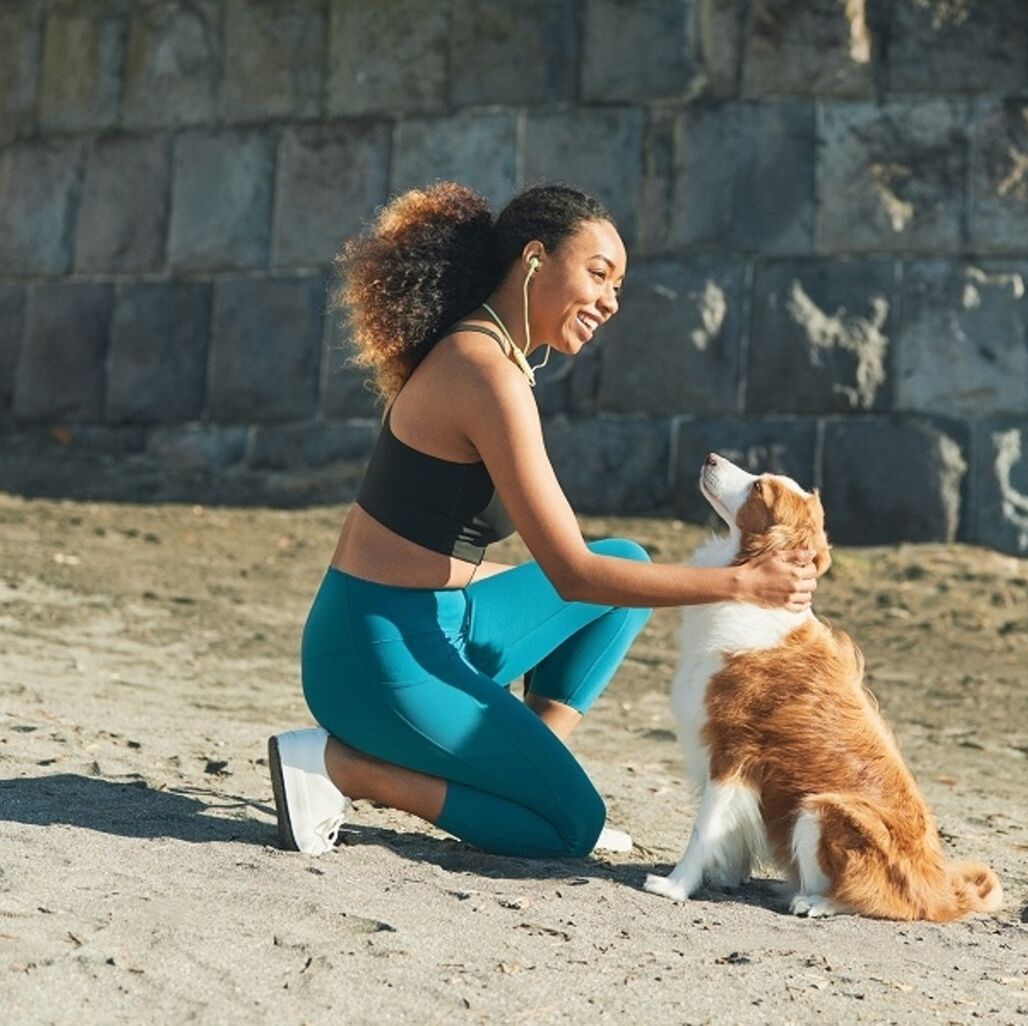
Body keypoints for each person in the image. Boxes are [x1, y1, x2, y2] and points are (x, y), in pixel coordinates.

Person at [266, 182, 819, 861]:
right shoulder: (485, 374)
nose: (611, 301)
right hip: (371, 658)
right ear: (533, 259)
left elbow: (492, 559)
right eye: (598, 273)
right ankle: (340, 767)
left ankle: (522, 774)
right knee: (570, 829)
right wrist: (742, 586)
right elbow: (571, 573)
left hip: (429, 621)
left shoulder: (495, 360)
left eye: (619, 286)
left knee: (630, 563)